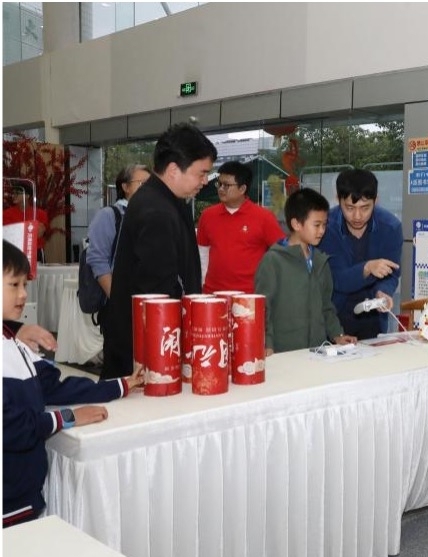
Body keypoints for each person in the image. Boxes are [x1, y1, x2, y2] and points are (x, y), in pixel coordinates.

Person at [3, 240, 143, 528]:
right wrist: (68, 417)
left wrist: (120, 385)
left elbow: (55, 387)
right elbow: (11, 428)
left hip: (23, 497)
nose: (24, 294)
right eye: (14, 285)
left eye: (25, 285)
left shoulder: (13, 342)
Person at [100, 123, 217, 379]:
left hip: (151, 343)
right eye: (202, 173)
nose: (206, 181)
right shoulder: (156, 211)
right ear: (174, 169)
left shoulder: (165, 200)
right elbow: (158, 293)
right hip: (148, 351)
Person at [254, 188, 356, 354]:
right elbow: (263, 308)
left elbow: (326, 306)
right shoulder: (273, 261)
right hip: (283, 352)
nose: (322, 230)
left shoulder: (321, 261)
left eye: (324, 224)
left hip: (317, 351)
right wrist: (267, 344)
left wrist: (337, 335)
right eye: (316, 225)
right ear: (296, 224)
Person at [318, 168, 402, 339]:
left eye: (365, 208)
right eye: (349, 207)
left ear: (376, 201)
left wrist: (383, 292)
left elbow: (392, 273)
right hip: (334, 318)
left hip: (373, 318)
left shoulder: (390, 227)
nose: (357, 216)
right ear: (338, 199)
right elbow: (336, 279)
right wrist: (368, 268)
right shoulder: (326, 228)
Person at [197, 161, 284, 293]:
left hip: (250, 295)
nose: (221, 189)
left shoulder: (264, 217)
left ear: (242, 189)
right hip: (213, 294)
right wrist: (203, 285)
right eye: (219, 184)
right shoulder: (207, 215)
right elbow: (202, 254)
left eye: (226, 185)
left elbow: (282, 254)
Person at [86, 164, 151, 300]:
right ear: (126, 187)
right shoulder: (109, 215)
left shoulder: (152, 217)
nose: (148, 189)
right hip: (120, 299)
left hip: (148, 297)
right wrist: (116, 298)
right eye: (142, 183)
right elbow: (97, 259)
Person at [3, 184, 50, 256]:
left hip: (35, 250)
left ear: (27, 196)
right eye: (13, 193)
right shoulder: (6, 213)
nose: (13, 195)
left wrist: (20, 231)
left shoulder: (40, 213)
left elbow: (40, 233)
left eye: (17, 193)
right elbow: (9, 233)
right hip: (14, 251)